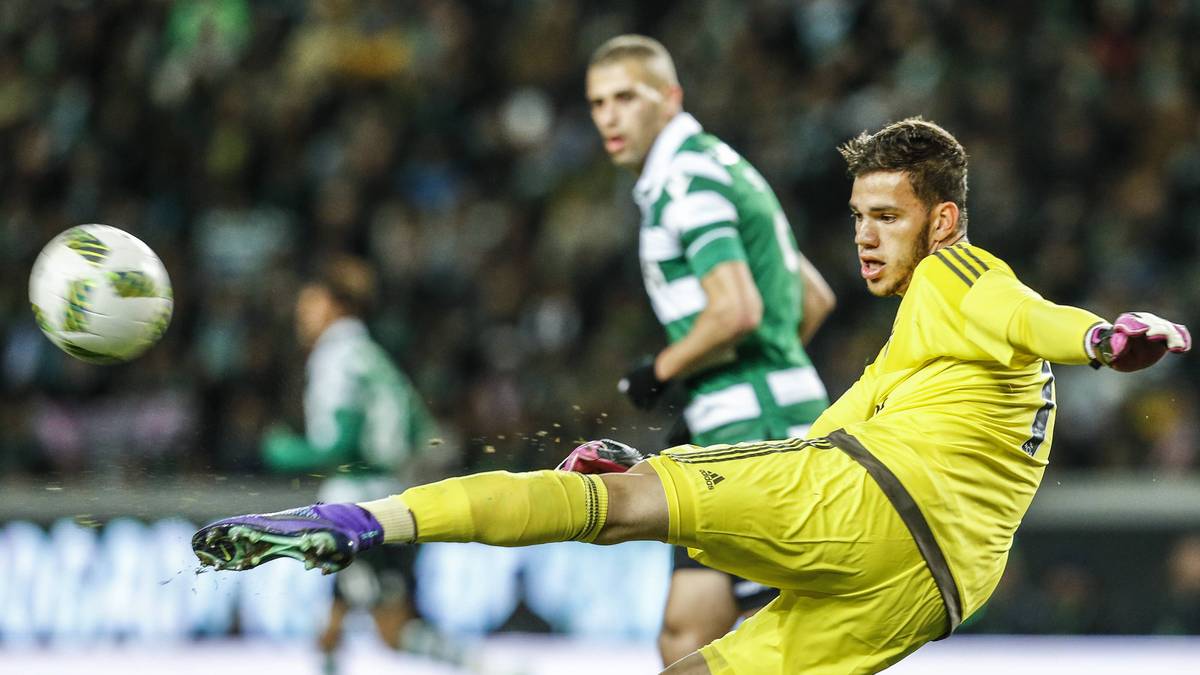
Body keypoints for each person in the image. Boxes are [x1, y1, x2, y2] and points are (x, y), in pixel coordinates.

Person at [193, 119, 1191, 674]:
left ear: (945, 220)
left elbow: (1041, 316)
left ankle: (358, 522)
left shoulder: (961, 278)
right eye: (857, 217)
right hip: (931, 594)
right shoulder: (920, 362)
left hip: (869, 509)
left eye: (888, 216)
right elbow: (830, 433)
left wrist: (1107, 336)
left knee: (609, 508)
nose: (866, 237)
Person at [587, 34, 835, 663]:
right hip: (748, 419)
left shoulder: (684, 180)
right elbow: (812, 296)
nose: (608, 117)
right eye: (597, 103)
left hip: (755, 432)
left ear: (669, 99)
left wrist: (659, 370)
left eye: (625, 98)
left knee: (777, 645)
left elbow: (737, 308)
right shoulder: (721, 166)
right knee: (687, 635)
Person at [260, 254, 450, 672]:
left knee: (390, 628)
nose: (301, 313)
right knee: (338, 623)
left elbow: (337, 446)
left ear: (334, 305)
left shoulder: (336, 356)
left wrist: (280, 451)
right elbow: (427, 434)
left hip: (354, 505)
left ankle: (489, 667)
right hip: (395, 500)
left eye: (309, 303)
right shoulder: (374, 355)